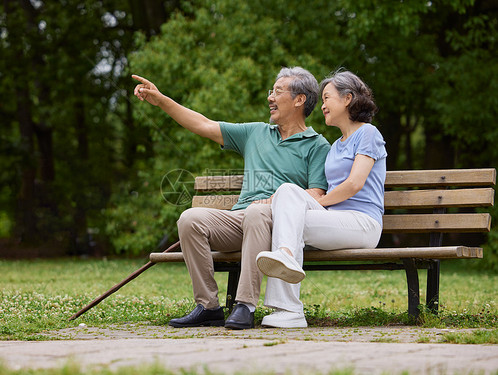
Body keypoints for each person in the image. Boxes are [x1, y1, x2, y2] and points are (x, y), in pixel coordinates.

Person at [132, 67, 331, 329]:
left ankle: (245, 305)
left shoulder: (317, 145)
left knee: (257, 213)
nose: (270, 97)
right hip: (241, 219)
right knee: (190, 219)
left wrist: (271, 202)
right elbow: (203, 124)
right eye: (270, 91)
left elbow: (316, 195)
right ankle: (208, 307)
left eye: (278, 91)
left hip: (279, 226)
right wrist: (162, 100)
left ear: (299, 100)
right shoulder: (256, 133)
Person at [256, 70, 386, 328]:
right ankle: (287, 283)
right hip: (334, 221)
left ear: (347, 98)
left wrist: (318, 203)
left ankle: (288, 298)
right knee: (287, 195)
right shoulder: (336, 144)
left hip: (363, 224)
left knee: (288, 212)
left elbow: (353, 184)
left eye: (327, 98)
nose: (323, 105)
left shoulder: (368, 134)